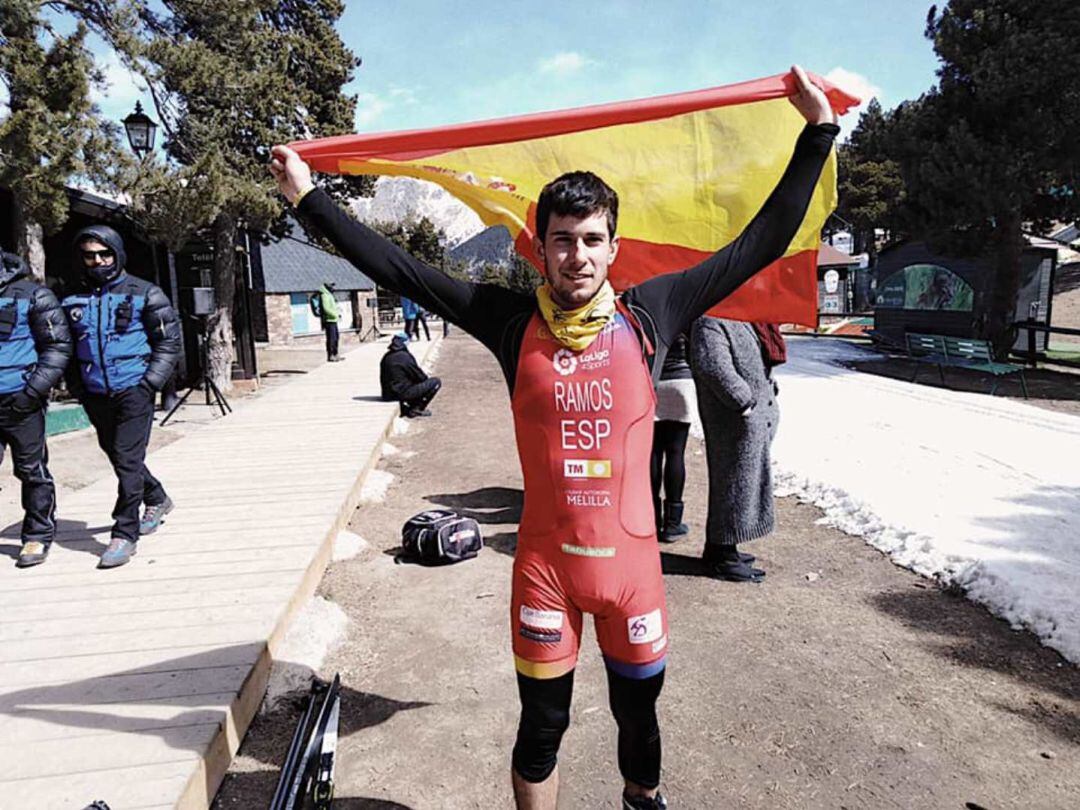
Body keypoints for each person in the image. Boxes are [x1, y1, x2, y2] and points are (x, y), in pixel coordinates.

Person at [271, 65, 837, 810]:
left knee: (640, 721)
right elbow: (401, 270)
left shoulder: (652, 313)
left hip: (633, 574)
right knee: (543, 727)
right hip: (544, 570)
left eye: (592, 240)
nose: (577, 254)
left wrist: (818, 130)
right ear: (540, 246)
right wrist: (306, 196)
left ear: (613, 246)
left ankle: (644, 801)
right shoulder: (509, 321)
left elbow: (758, 241)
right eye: (562, 240)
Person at [62, 225, 181, 569]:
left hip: (134, 390)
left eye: (104, 254)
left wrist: (149, 384)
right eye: (90, 255)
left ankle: (124, 533)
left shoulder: (146, 293)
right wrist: (77, 388)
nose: (97, 261)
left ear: (117, 253)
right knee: (117, 456)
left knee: (127, 461)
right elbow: (65, 348)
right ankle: (157, 497)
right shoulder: (71, 298)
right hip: (95, 393)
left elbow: (168, 343)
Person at [689, 318, 784, 583]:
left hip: (746, 420)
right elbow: (713, 366)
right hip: (732, 420)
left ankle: (725, 547)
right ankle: (722, 554)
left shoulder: (745, 319)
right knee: (732, 484)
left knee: (743, 484)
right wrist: (744, 403)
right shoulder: (709, 321)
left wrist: (767, 392)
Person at [0, 252, 72, 568]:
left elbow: (57, 347)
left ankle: (37, 534)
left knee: (31, 469)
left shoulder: (34, 295)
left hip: (20, 398)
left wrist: (33, 391)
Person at [650, 332, 695, 543]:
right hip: (682, 382)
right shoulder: (686, 307)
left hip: (653, 381)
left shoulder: (648, 308)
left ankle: (652, 519)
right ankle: (672, 524)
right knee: (676, 452)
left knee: (653, 452)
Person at [379, 331, 441, 417]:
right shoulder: (405, 357)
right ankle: (417, 408)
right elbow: (419, 376)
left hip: (388, 394)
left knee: (412, 383)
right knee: (435, 382)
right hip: (401, 393)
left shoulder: (386, 356)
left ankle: (409, 406)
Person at [310, 282, 343, 361]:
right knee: (331, 338)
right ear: (327, 286)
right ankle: (331, 355)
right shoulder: (324, 295)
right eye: (331, 286)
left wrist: (338, 313)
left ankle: (336, 354)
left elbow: (333, 306)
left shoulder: (329, 295)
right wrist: (335, 314)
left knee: (336, 338)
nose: (333, 287)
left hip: (333, 319)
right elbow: (326, 308)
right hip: (329, 320)